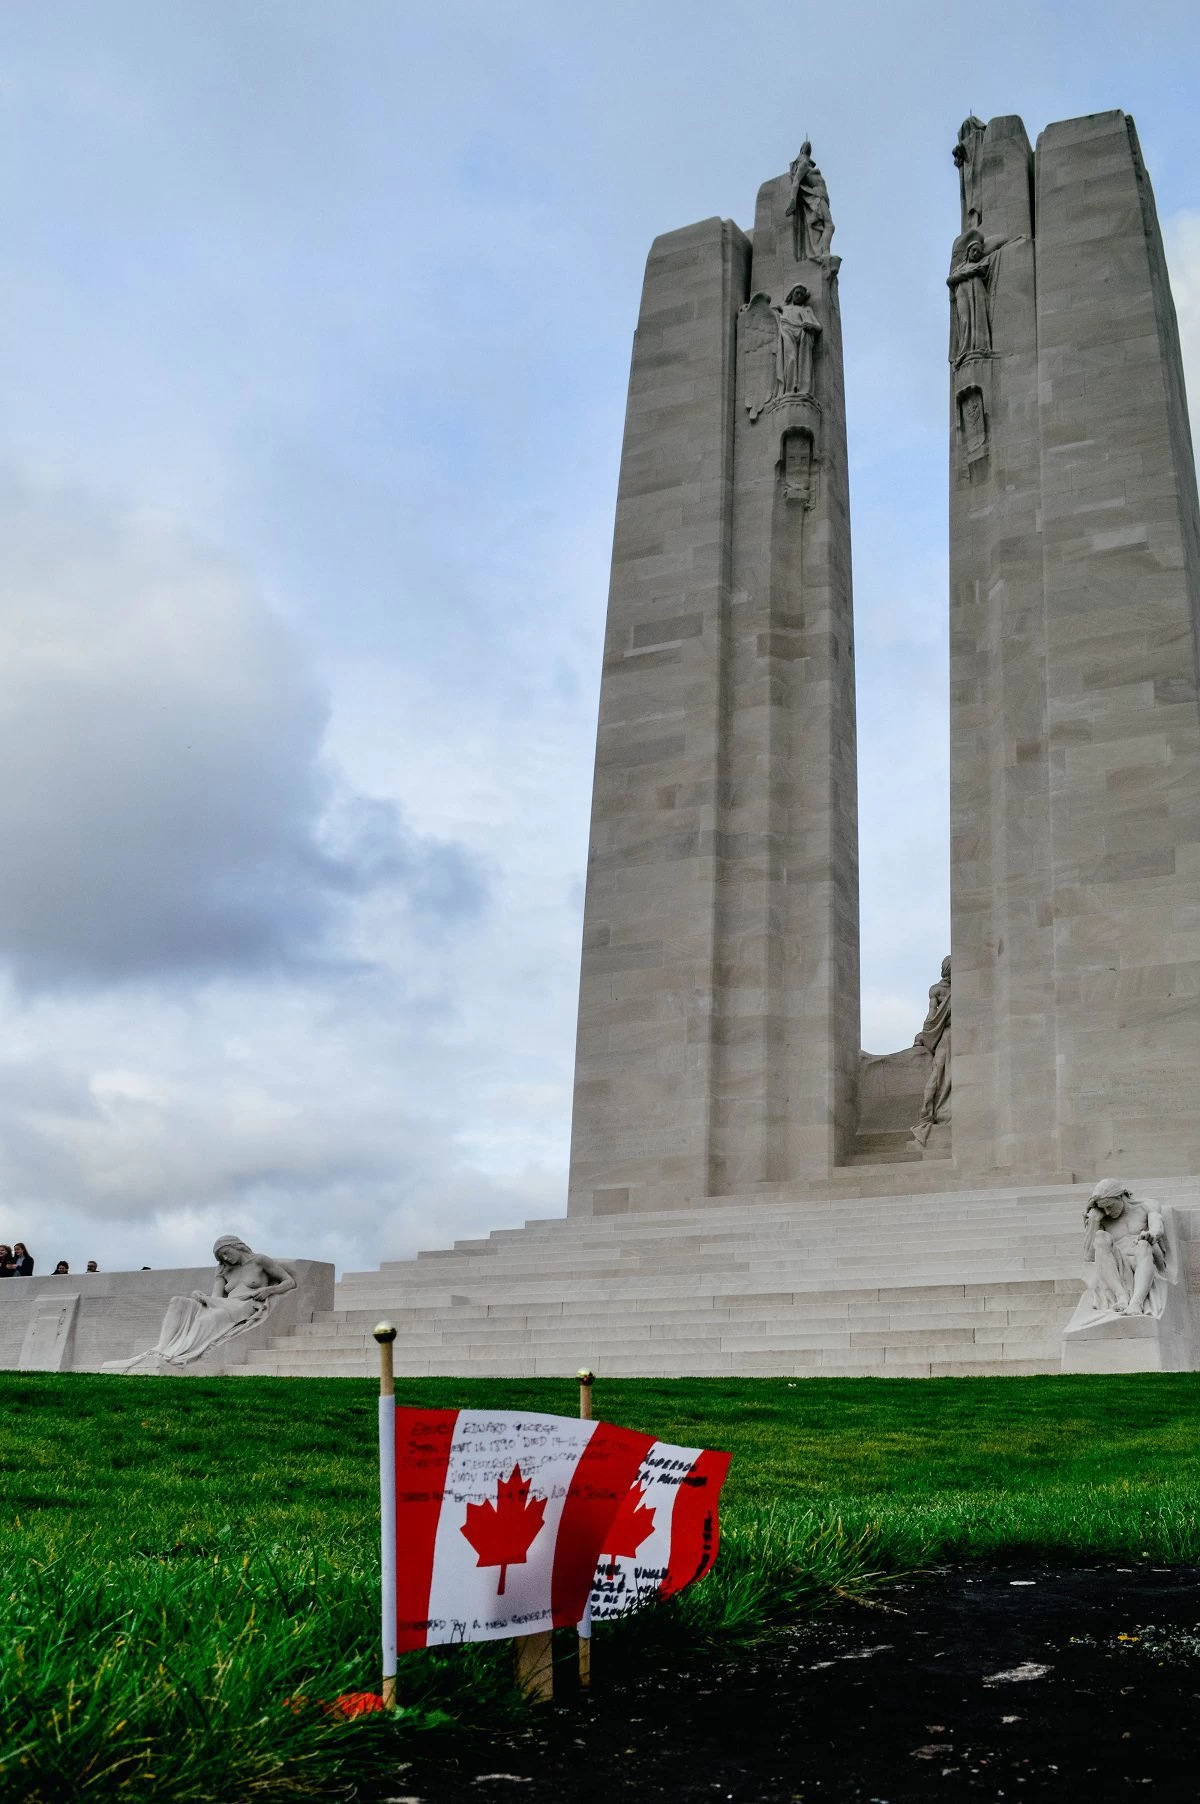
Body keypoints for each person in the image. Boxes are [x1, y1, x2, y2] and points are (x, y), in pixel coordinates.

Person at [106, 1235, 296, 1370]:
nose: (226, 1259)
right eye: (222, 1257)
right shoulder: (224, 1270)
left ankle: (177, 1355)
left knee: (210, 1318)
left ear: (237, 1246)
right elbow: (216, 1297)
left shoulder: (259, 1261)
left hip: (245, 1305)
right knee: (178, 1302)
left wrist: (268, 1290)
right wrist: (202, 1297)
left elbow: (290, 1282)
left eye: (227, 1253)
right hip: (223, 1304)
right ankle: (161, 1349)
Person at [1084, 1180, 1169, 1318]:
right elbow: (1089, 1257)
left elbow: (1157, 1227)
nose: (1106, 1212)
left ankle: (1137, 1302)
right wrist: (1093, 1221)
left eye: (1109, 1206)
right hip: (1120, 1264)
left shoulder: (1147, 1205)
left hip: (1145, 1255)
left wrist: (1151, 1235)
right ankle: (1121, 1296)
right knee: (1100, 1237)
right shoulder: (1103, 1219)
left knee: (1143, 1244)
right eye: (1103, 1208)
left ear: (1120, 1196)